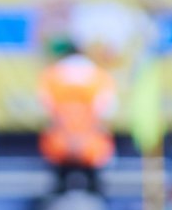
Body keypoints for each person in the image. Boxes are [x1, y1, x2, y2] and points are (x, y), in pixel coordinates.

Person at [37, 37, 117, 194]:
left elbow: (45, 110)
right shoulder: (100, 76)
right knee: (96, 187)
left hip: (58, 146)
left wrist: (69, 140)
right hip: (92, 147)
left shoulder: (51, 75)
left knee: (57, 187)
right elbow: (106, 112)